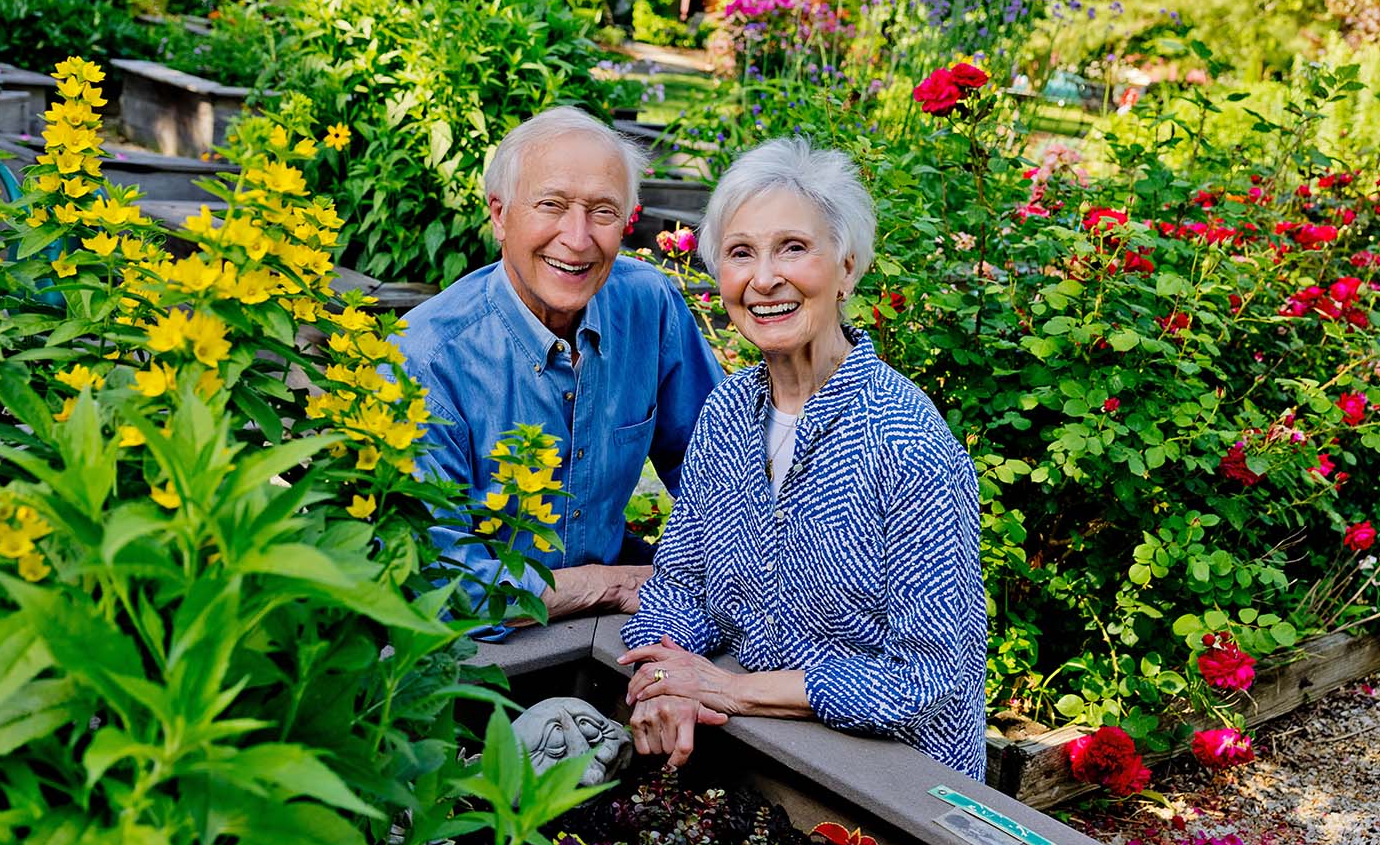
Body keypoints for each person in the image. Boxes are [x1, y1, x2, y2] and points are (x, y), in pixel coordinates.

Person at [616, 139, 987, 780]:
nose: (764, 279)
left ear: (846, 268)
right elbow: (681, 585)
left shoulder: (905, 443)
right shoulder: (728, 411)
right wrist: (666, 674)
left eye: (792, 247)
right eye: (740, 254)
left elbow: (934, 677)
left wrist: (731, 690)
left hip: (892, 783)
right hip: (761, 754)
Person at [397, 107, 724, 621]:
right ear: (500, 214)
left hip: (609, 623)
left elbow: (719, 471)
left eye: (603, 212)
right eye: (551, 205)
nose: (577, 238)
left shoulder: (650, 306)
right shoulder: (426, 360)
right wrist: (607, 585)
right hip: (472, 653)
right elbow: (440, 584)